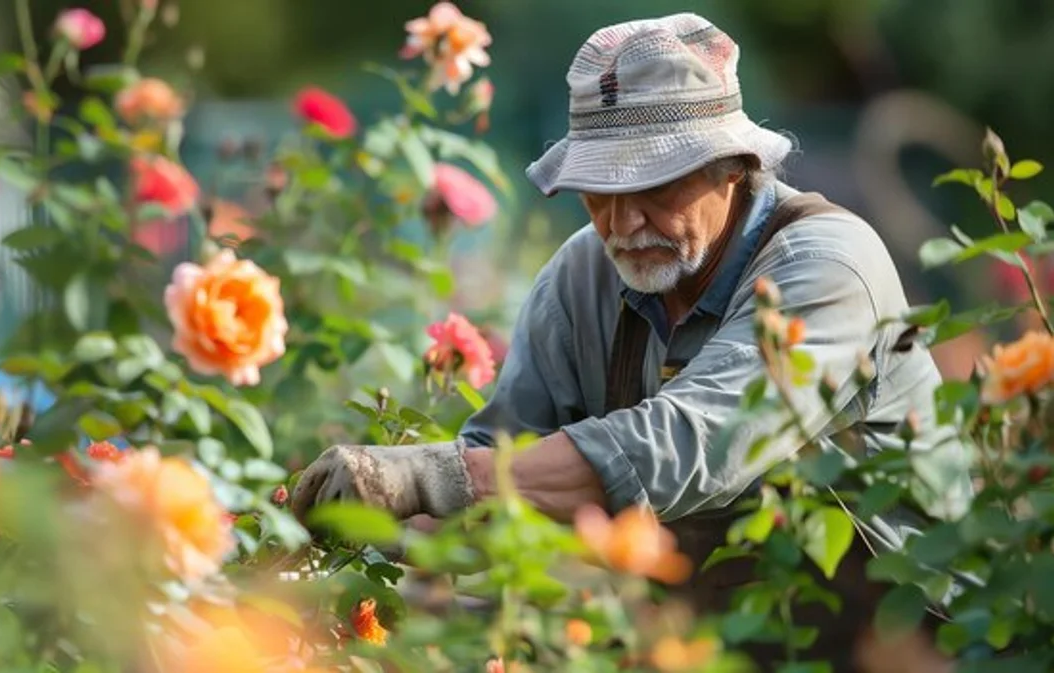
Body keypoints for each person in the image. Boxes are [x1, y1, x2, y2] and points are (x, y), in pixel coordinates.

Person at [291, 13, 968, 669]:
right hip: (697, 652)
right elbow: (502, 466)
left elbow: (691, 443)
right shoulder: (585, 275)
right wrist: (353, 555)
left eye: (652, 184)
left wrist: (435, 476)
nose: (622, 221)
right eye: (597, 188)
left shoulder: (827, 264)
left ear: (733, 164)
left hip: (901, 652)